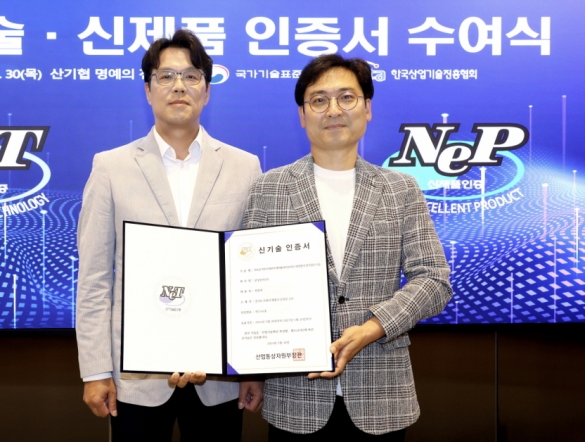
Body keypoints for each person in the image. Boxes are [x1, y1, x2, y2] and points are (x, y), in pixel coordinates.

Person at [239, 54, 452, 441]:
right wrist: (249, 368)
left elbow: (434, 280)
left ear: (367, 108)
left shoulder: (400, 189)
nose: (333, 110)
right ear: (302, 114)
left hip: (380, 394)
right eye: (319, 100)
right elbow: (245, 287)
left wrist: (373, 327)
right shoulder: (269, 188)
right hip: (295, 397)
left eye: (346, 98)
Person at [76, 29, 261, 441]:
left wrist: (252, 369)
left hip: (219, 380)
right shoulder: (110, 167)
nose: (179, 86)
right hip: (135, 380)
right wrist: (95, 371)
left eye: (192, 76)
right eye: (166, 76)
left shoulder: (245, 167)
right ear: (148, 90)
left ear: (207, 91)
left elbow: (250, 279)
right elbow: (94, 279)